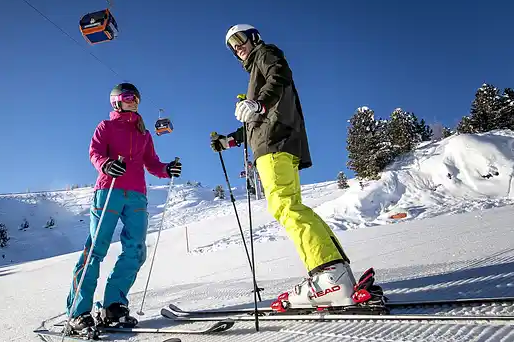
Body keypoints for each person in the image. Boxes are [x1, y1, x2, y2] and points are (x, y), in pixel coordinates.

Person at [211, 24, 383, 312]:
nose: (237, 47)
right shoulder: (257, 74)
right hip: (274, 142)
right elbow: (257, 123)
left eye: (240, 39)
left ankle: (329, 277)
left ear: (254, 37)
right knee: (290, 206)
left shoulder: (266, 54)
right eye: (231, 46)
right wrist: (230, 139)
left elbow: (279, 76)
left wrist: (258, 103)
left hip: (275, 144)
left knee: (284, 206)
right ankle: (333, 273)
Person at [66, 83, 182, 331]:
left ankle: (113, 306)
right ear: (116, 101)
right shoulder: (106, 127)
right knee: (96, 248)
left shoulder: (144, 134)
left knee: (136, 250)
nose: (134, 101)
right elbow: (95, 153)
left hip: (136, 195)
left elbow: (151, 163)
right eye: (128, 97)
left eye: (137, 98)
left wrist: (166, 169)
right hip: (109, 189)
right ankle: (78, 312)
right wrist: (106, 165)